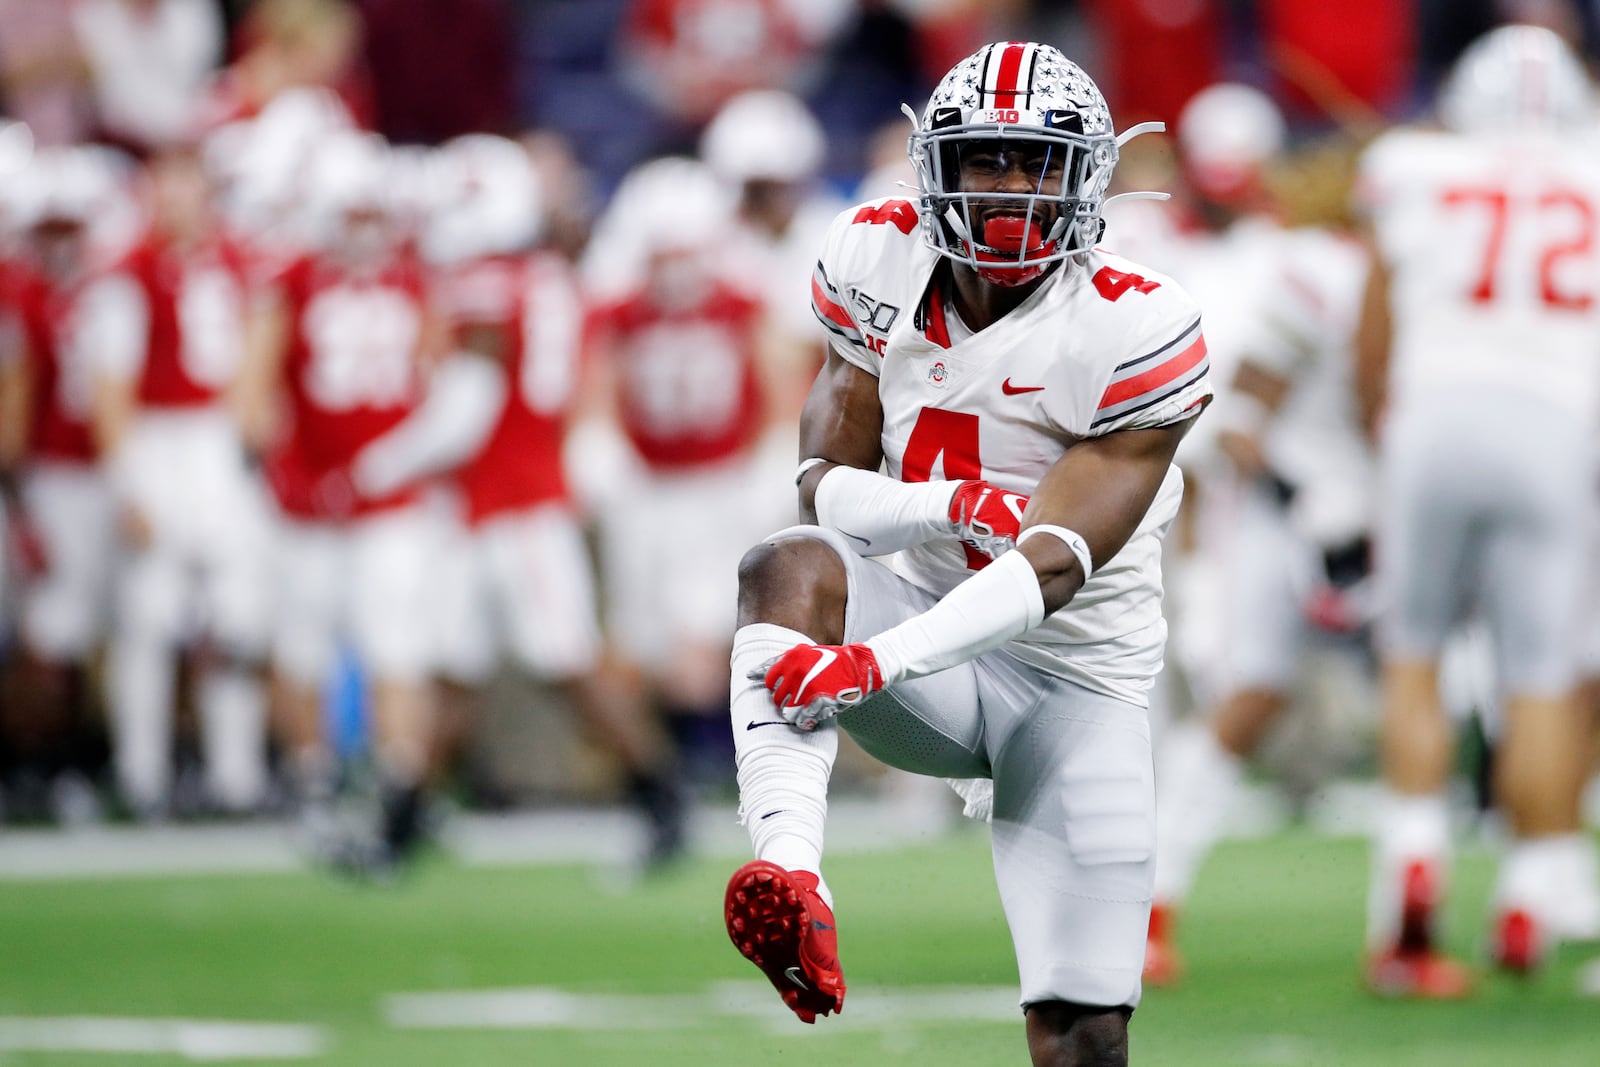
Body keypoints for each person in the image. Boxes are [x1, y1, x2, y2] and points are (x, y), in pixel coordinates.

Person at [721, 42, 1210, 1065]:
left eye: (1037, 164)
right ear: (934, 162)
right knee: (788, 564)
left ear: (1090, 177)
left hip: (1071, 679)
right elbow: (822, 487)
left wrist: (873, 664)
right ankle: (792, 876)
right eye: (986, 160)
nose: (1010, 192)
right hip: (916, 612)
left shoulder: (1135, 322)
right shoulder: (872, 255)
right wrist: (950, 504)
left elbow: (1047, 569)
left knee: (1080, 1030)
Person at [1354, 23, 1600, 995]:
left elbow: (1375, 324)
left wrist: (1381, 423)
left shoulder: (1411, 164)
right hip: (1551, 426)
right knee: (1538, 671)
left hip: (1435, 414)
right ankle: (1531, 890)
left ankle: (1415, 853)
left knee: (1413, 652)